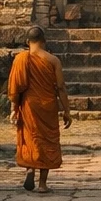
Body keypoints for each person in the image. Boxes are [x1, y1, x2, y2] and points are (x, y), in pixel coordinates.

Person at [8, 26, 72, 192]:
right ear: (44, 41)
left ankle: (30, 168)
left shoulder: (21, 59)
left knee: (30, 137)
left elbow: (16, 87)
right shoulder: (53, 61)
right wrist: (67, 111)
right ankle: (43, 184)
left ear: (27, 42)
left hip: (28, 104)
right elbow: (61, 87)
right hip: (48, 104)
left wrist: (14, 107)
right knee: (47, 140)